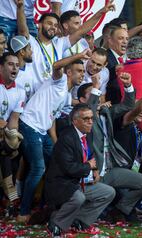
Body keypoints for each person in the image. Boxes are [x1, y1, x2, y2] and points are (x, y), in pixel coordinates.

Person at [17, 49, 90, 223]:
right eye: (79, 71)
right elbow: (56, 65)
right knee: (38, 169)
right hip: (29, 125)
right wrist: (79, 56)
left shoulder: (65, 95)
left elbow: (53, 119)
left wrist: (56, 143)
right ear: (69, 72)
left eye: (83, 71)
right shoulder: (59, 81)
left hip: (42, 132)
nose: (82, 74)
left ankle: (46, 208)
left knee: (55, 166)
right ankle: (23, 211)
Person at [82, 71, 142, 221]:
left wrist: (128, 86)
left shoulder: (106, 113)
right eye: (92, 93)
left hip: (110, 170)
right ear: (82, 100)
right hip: (92, 173)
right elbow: (90, 109)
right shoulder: (82, 120)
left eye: (98, 92)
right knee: (109, 193)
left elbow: (128, 105)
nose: (98, 93)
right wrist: (95, 86)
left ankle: (119, 211)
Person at [45, 103, 115, 236]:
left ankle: (80, 221)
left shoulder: (86, 134)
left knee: (108, 192)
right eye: (86, 119)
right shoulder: (66, 138)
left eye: (91, 118)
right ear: (75, 121)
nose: (90, 122)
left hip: (78, 181)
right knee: (78, 198)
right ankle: (56, 224)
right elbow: (69, 168)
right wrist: (88, 166)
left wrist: (94, 169)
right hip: (61, 184)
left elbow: (90, 154)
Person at [0, 52, 25, 215]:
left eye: (17, 65)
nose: (15, 68)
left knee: (13, 149)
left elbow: (14, 118)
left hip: (2, 133)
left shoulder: (20, 91)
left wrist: (13, 134)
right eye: (10, 64)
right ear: (1, 67)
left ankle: (9, 197)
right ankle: (10, 195)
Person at [10, 35, 34, 102]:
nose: (32, 52)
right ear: (22, 52)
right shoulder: (11, 75)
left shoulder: (30, 67)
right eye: (29, 49)